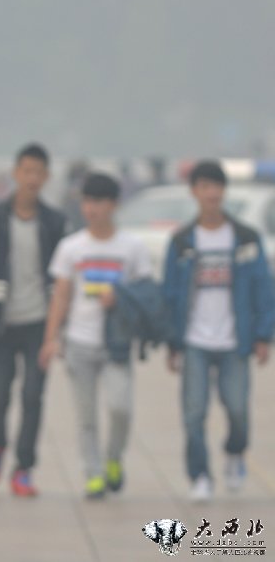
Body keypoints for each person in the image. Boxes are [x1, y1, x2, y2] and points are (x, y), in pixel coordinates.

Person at [162, 160, 274, 502]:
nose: (212, 194)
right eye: (205, 187)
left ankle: (235, 452)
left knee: (237, 409)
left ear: (224, 192)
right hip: (194, 339)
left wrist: (262, 335)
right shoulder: (182, 241)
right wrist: (173, 342)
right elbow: (170, 293)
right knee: (194, 413)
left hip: (234, 340)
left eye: (217, 187)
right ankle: (200, 476)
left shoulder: (245, 238)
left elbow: (263, 288)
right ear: (194, 192)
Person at [40, 173, 153, 499]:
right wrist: (51, 338)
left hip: (117, 343)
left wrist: (121, 297)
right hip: (79, 342)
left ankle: (114, 458)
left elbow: (146, 294)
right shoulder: (71, 247)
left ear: (114, 205)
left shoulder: (132, 247)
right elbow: (60, 296)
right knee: (85, 415)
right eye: (87, 202)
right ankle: (93, 473)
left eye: (99, 202)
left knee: (121, 408)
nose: (92, 208)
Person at [0, 143, 67, 497]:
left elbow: (63, 283)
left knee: (33, 396)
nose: (31, 178)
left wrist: (55, 334)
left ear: (45, 177)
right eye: (25, 170)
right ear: (16, 173)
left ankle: (23, 468)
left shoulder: (55, 223)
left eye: (38, 172)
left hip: (39, 324)